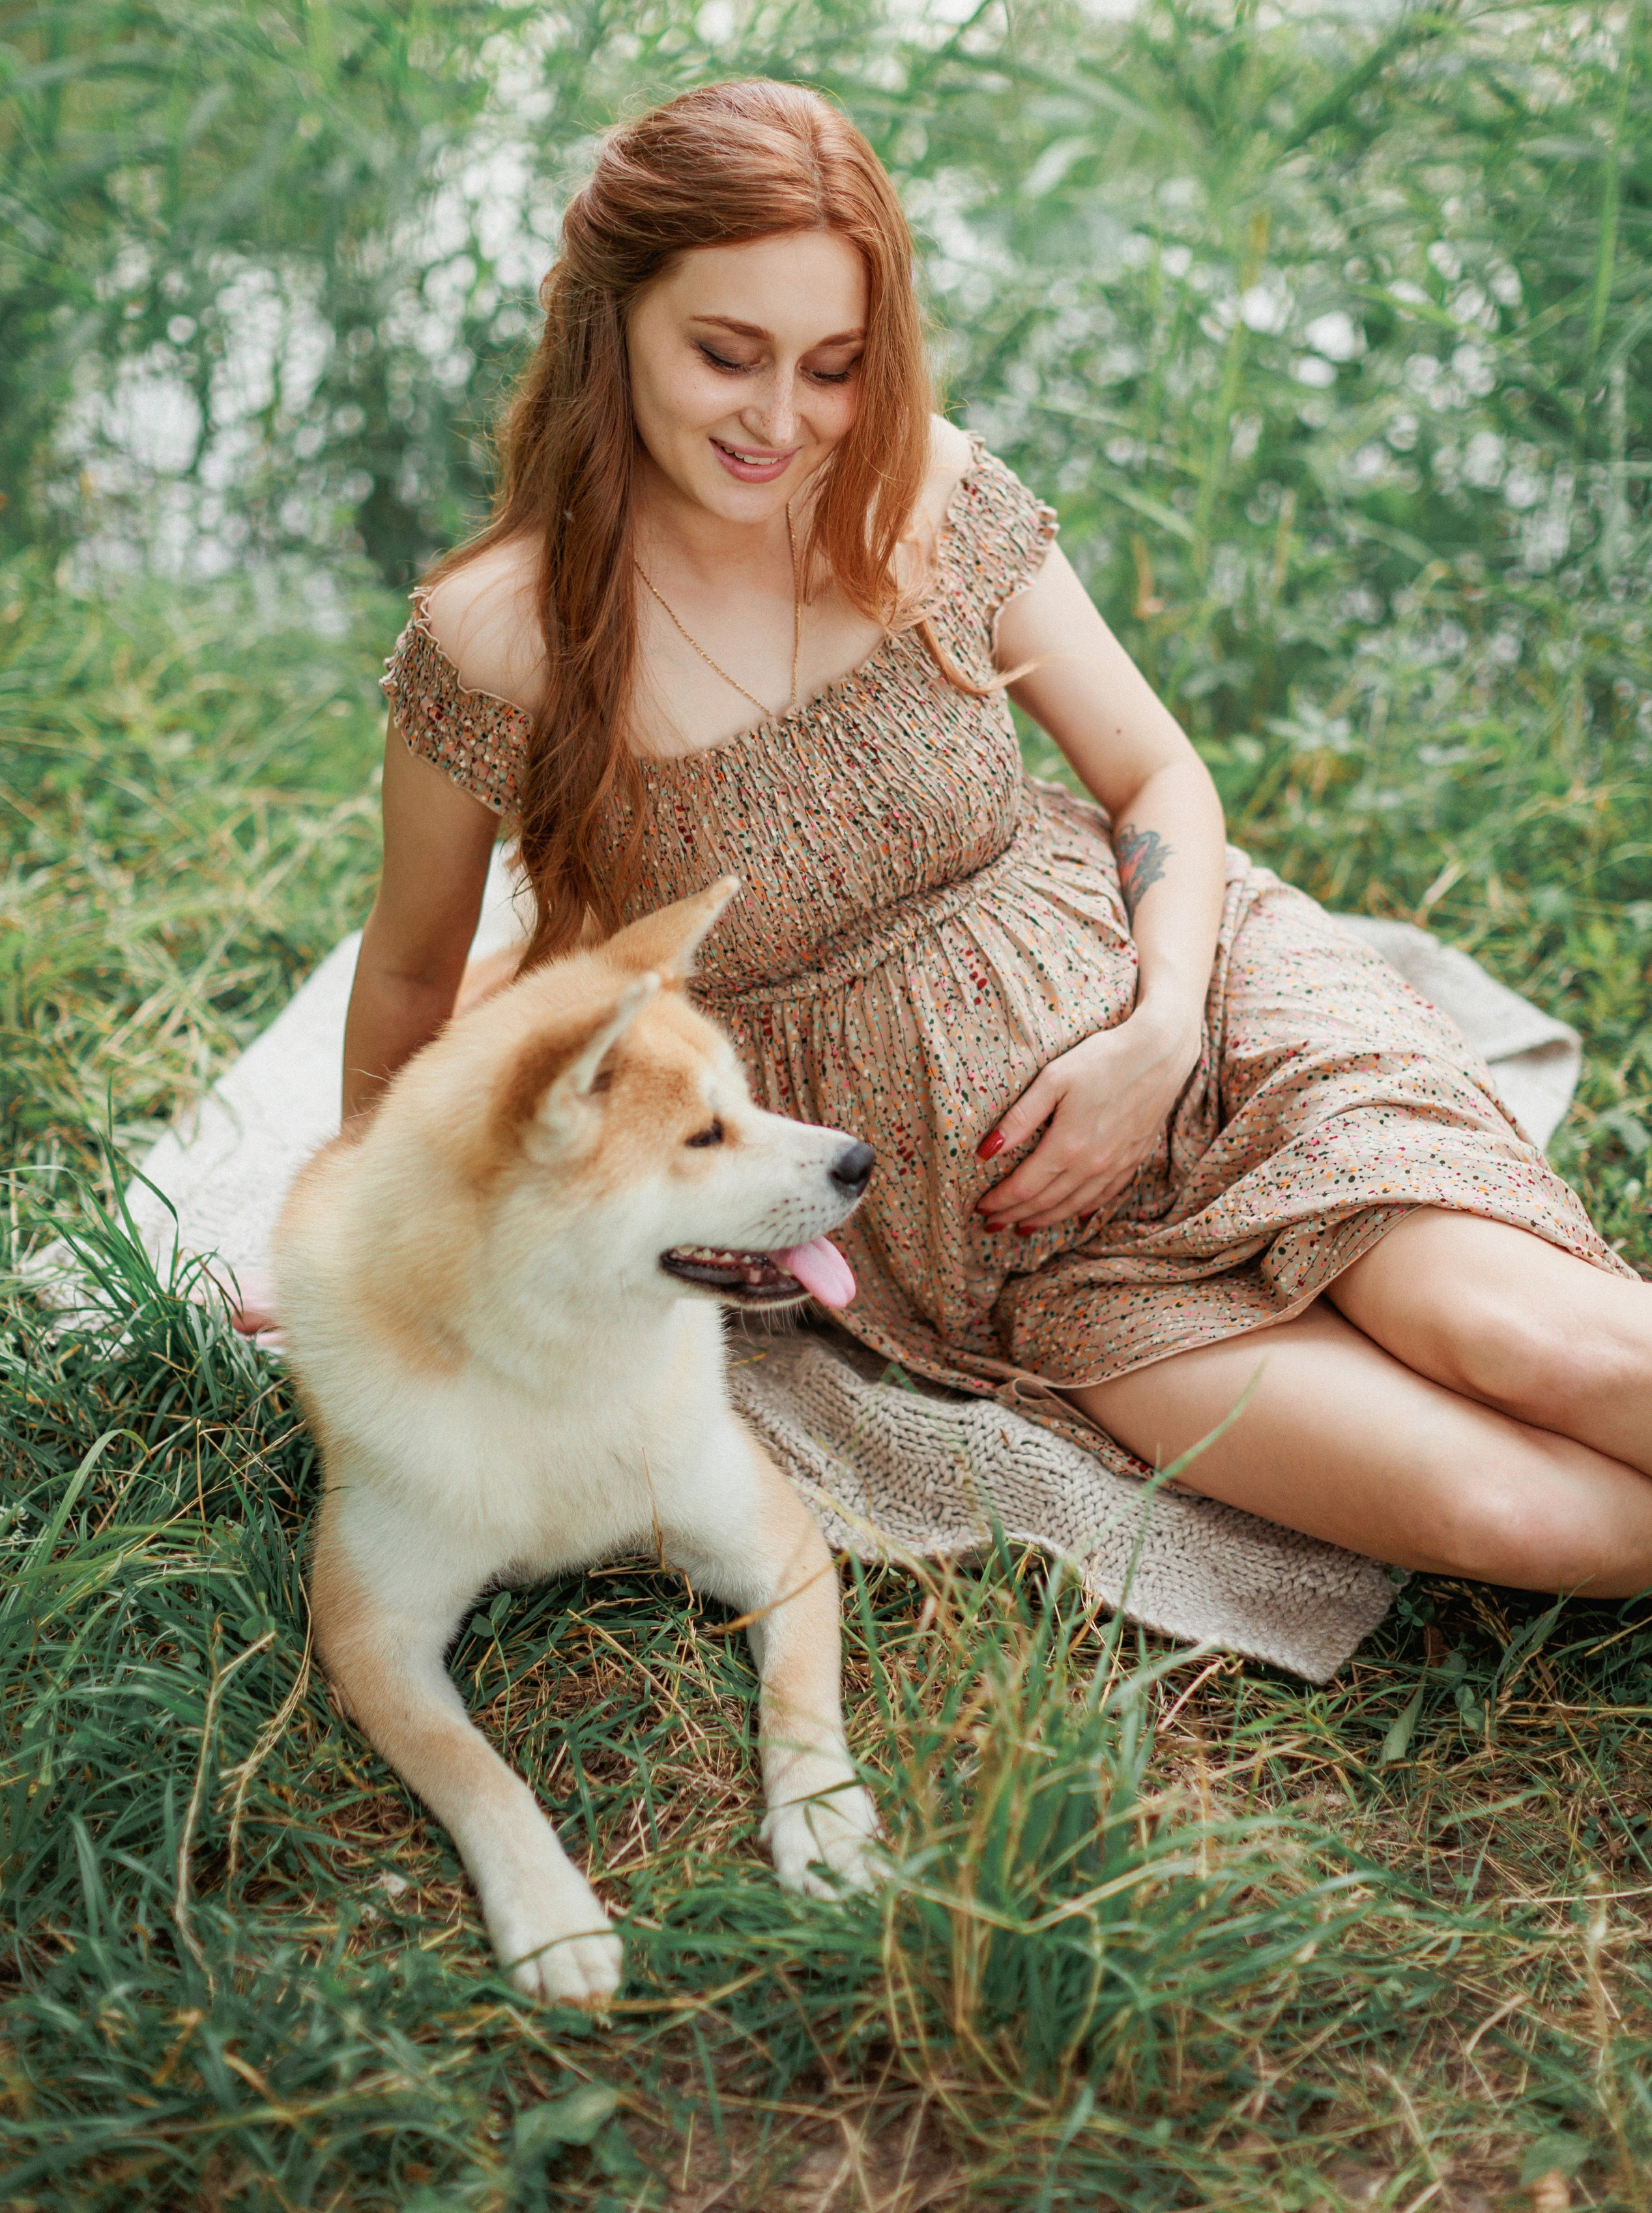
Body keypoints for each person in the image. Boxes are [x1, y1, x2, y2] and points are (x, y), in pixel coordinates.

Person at [349, 77, 1652, 1595]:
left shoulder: (919, 485)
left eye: (832, 367)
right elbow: (408, 973)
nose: (780, 420)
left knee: (1535, 1344)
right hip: (1003, 1246)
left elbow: (1152, 773)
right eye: (725, 355)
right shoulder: (501, 638)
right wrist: (379, 1244)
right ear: (610, 315)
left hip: (1201, 1024)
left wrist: (1160, 1032)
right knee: (1513, 1522)